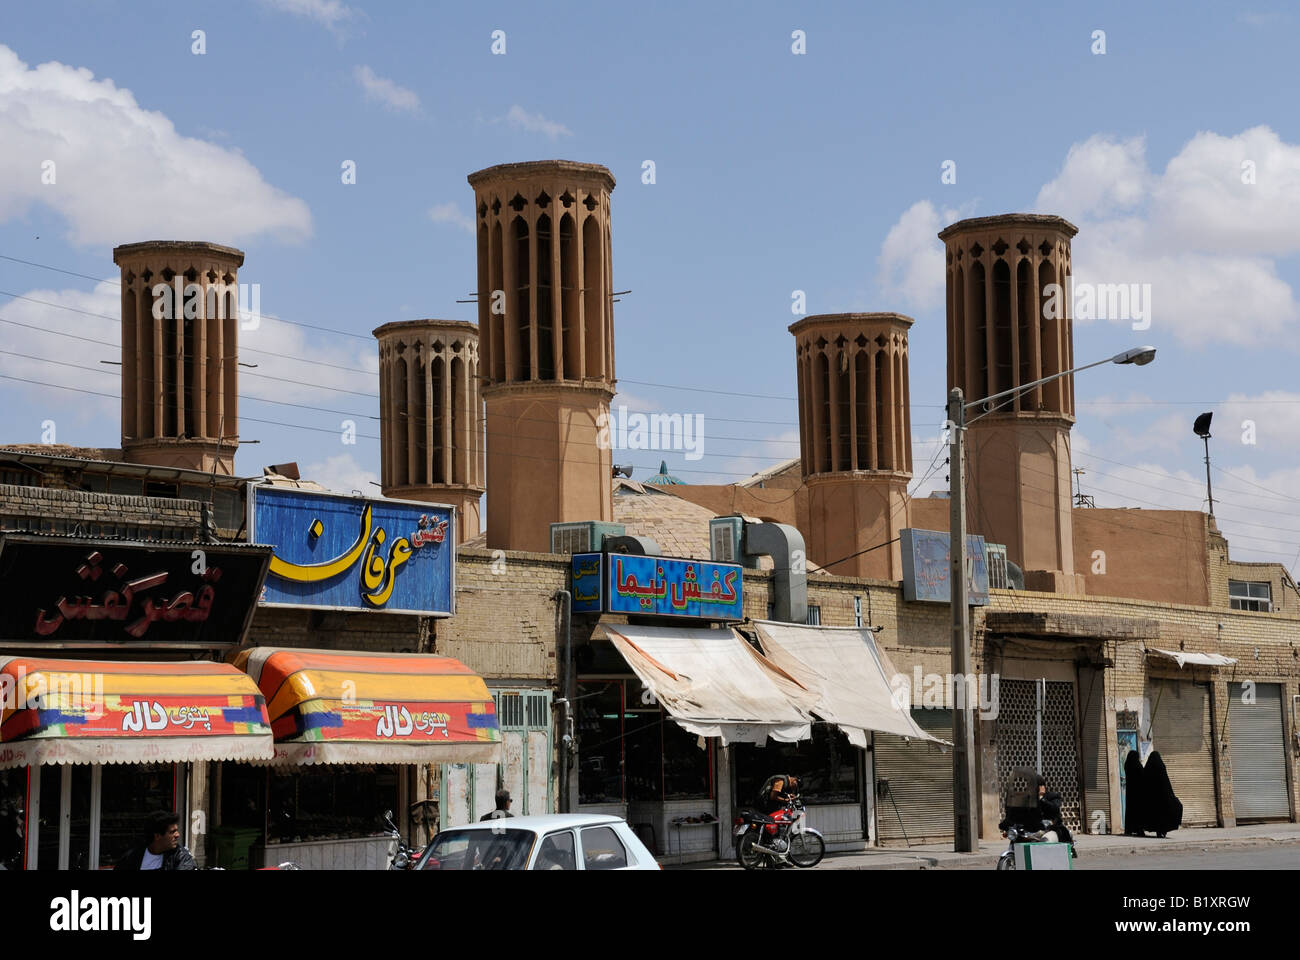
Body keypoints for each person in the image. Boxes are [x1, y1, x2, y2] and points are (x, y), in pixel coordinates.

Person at [114, 811, 196, 871]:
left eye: (176, 831)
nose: (177, 835)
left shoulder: (181, 857)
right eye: (172, 832)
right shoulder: (132, 856)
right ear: (157, 836)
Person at [1143, 752, 1183, 838]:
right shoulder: (1161, 767)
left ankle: (1158, 830)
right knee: (1165, 813)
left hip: (1152, 799)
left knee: (1155, 814)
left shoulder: (1147, 768)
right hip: (1163, 798)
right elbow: (1166, 783)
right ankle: (1162, 831)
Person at [1123, 751, 1147, 836]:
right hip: (1138, 792)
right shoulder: (1137, 765)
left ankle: (1128, 830)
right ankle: (1139, 830)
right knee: (1138, 811)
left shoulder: (1127, 765)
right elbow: (1142, 776)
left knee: (1130, 811)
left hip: (1130, 791)